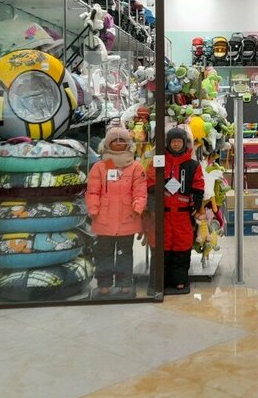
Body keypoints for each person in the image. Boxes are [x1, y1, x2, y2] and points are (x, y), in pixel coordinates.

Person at [86, 126, 147, 297]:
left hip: (128, 218)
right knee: (103, 252)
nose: (119, 143)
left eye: (122, 140)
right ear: (107, 143)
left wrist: (138, 207)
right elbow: (92, 191)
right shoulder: (100, 167)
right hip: (103, 219)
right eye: (115, 140)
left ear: (128, 144)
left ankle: (124, 283)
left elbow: (140, 191)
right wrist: (93, 208)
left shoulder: (136, 168)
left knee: (124, 253)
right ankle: (104, 283)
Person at [162, 126, 204, 293]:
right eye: (173, 141)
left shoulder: (193, 165)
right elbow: (151, 181)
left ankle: (180, 280)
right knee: (164, 245)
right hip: (164, 213)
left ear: (184, 143)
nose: (176, 144)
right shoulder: (160, 162)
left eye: (179, 141)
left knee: (182, 245)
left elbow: (198, 186)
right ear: (168, 143)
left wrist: (196, 205)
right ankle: (162, 279)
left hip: (183, 214)